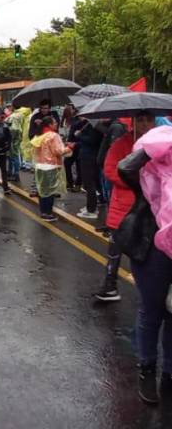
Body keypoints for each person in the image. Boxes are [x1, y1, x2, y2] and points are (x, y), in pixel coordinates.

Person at [114, 135, 172, 404]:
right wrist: (155, 149)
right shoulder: (150, 170)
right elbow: (124, 168)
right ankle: (147, 369)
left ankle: (169, 373)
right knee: (152, 311)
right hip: (151, 246)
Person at [93, 112, 156, 303]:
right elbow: (110, 170)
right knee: (115, 247)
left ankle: (150, 291)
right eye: (141, 120)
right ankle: (110, 285)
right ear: (134, 123)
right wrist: (137, 181)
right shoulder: (122, 144)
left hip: (151, 206)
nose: (144, 124)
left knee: (147, 249)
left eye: (148, 120)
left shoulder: (160, 144)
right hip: (124, 204)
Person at [30, 116, 72, 222]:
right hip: (51, 166)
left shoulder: (39, 135)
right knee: (50, 192)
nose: (57, 124)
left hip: (39, 166)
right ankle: (48, 213)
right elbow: (59, 151)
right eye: (54, 122)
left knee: (42, 190)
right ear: (49, 125)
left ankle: (43, 211)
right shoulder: (53, 136)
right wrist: (70, 147)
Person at [28, 100, 61, 196]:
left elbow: (56, 128)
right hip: (40, 147)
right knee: (39, 168)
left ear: (49, 108)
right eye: (42, 108)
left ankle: (53, 189)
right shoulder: (35, 117)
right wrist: (39, 126)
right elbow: (31, 134)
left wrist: (42, 123)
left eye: (46, 108)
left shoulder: (54, 115)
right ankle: (36, 189)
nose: (44, 110)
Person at [74, 117, 103, 220]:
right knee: (90, 183)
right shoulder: (89, 124)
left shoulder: (95, 126)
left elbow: (92, 140)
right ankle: (90, 206)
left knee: (89, 183)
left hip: (89, 157)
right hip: (88, 155)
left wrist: (80, 135)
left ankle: (91, 209)